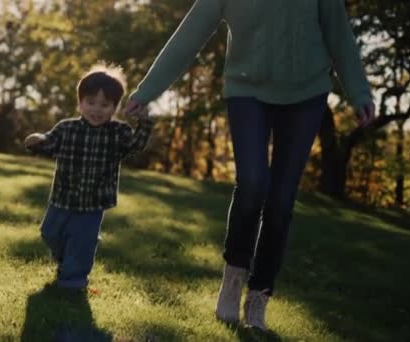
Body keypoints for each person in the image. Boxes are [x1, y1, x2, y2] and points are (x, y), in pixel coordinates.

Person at [124, 0, 375, 331]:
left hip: (306, 95)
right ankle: (234, 277)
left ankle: (259, 294)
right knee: (253, 183)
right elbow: (189, 35)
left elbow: (339, 36)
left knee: (281, 200)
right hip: (247, 90)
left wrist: (358, 92)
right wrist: (148, 90)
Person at [25, 63, 154, 290]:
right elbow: (48, 143)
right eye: (91, 102)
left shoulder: (118, 133)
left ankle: (72, 281)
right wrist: (36, 141)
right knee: (49, 233)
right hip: (63, 196)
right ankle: (65, 256)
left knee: (82, 241)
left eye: (105, 105)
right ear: (80, 103)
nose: (97, 109)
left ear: (115, 107)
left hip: (94, 201)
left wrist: (144, 122)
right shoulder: (67, 128)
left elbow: (136, 144)